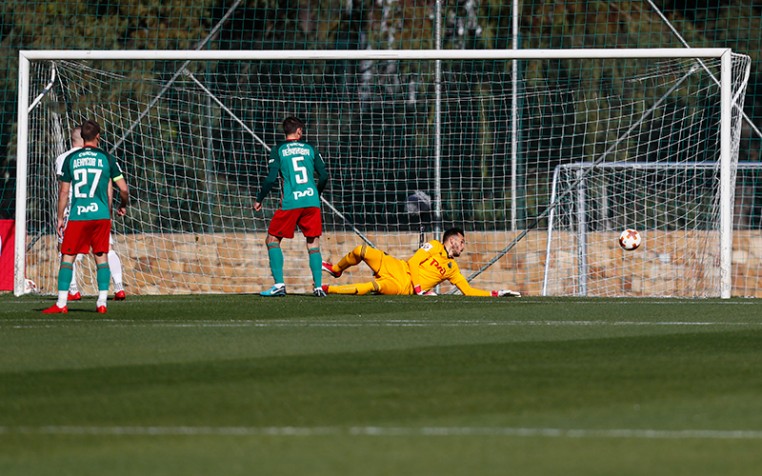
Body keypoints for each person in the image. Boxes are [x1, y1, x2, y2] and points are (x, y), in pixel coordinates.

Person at [43, 120, 129, 314]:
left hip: (78, 215)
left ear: (82, 137)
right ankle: (102, 302)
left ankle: (62, 302)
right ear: (98, 136)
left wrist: (59, 218)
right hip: (100, 215)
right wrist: (122, 206)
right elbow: (123, 189)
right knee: (102, 256)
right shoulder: (107, 158)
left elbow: (64, 193)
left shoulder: (69, 159)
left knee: (67, 258)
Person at [321, 227, 521, 297]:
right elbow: (415, 262)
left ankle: (327, 289)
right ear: (452, 240)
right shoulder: (433, 245)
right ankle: (337, 269)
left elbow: (468, 291)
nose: (463, 246)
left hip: (402, 286)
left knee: (372, 286)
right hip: (398, 266)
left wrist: (497, 293)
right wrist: (420, 289)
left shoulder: (452, 269)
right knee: (361, 250)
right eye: (462, 242)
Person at [253, 116, 329, 297]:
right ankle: (318, 287)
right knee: (313, 242)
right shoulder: (310, 148)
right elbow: (324, 175)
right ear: (299, 131)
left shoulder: (278, 149)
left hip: (291, 201)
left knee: (272, 240)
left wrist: (259, 199)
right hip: (311, 202)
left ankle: (279, 284)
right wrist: (316, 194)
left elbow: (271, 179)